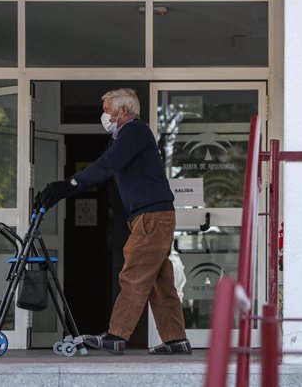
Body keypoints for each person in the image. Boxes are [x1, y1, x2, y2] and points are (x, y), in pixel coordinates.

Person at [35, 88, 191, 355]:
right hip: (153, 216)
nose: (103, 115)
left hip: (152, 217)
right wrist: (67, 187)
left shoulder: (134, 131)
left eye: (107, 110)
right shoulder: (126, 135)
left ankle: (116, 335)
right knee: (159, 282)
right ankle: (176, 340)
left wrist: (69, 184)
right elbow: (106, 165)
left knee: (133, 275)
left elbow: (107, 165)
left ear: (122, 111)